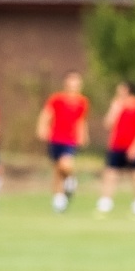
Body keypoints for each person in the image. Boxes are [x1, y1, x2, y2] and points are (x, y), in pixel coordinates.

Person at [97, 81, 135, 217]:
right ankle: (106, 203)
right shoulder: (117, 105)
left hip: (132, 146)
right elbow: (107, 124)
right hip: (116, 145)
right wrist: (114, 110)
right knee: (110, 173)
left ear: (128, 90)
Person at [36, 71, 88, 213]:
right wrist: (42, 128)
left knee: (66, 165)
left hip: (70, 140)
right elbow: (46, 114)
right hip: (55, 138)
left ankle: (71, 180)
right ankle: (59, 199)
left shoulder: (82, 102)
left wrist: (83, 135)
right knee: (57, 170)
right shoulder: (57, 99)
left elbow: (81, 120)